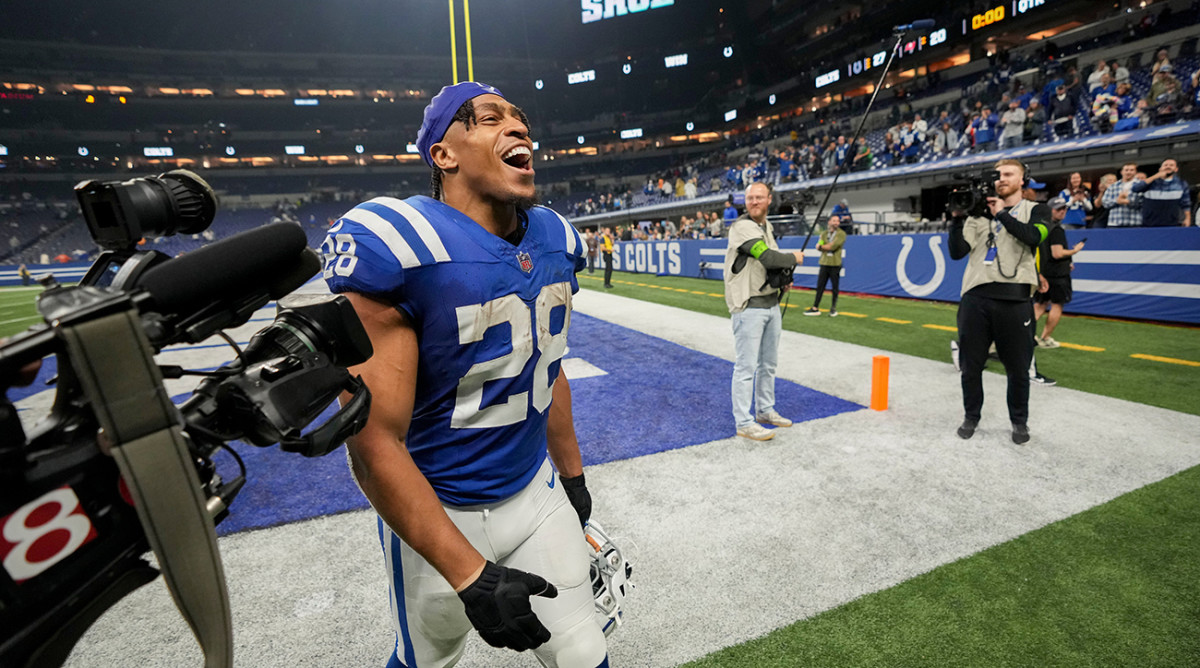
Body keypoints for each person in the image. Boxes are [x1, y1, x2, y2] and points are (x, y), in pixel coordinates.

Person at [321, 81, 608, 668]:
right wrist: (469, 574)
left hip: (533, 490)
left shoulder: (555, 238)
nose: (518, 128)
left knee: (583, 649)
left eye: (521, 120)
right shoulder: (403, 242)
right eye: (488, 119)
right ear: (443, 155)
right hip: (438, 507)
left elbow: (546, 370)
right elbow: (373, 439)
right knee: (428, 660)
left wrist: (573, 479)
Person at [948, 159, 1050, 445]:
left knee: (1018, 368)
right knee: (971, 366)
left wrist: (1002, 214)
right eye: (998, 175)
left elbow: (1033, 236)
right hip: (976, 297)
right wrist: (956, 218)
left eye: (1009, 174)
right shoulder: (977, 216)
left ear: (1023, 179)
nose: (1002, 179)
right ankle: (971, 416)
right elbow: (957, 252)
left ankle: (1019, 421)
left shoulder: (1037, 210)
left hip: (1016, 300)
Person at [723, 182, 803, 442]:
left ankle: (765, 410)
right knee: (746, 367)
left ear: (769, 200)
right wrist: (793, 259)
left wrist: (783, 277)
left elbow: (769, 266)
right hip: (749, 307)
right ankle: (744, 422)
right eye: (750, 198)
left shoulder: (765, 227)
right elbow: (767, 257)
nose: (754, 201)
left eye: (759, 197)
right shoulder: (741, 227)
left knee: (768, 364)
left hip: (770, 304)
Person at [1035, 197, 1086, 348]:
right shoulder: (1056, 229)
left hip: (1043, 273)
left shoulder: (1041, 226)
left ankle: (1025, 335)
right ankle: (1045, 338)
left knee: (1039, 305)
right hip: (1057, 275)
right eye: (1058, 209)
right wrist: (1074, 251)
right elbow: (1057, 253)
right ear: (1050, 210)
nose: (1062, 212)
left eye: (1064, 209)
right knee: (1057, 305)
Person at [803, 215, 845, 317]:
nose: (836, 223)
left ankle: (833, 308)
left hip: (835, 264)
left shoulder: (841, 234)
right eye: (834, 221)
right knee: (820, 286)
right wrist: (821, 246)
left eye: (838, 221)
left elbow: (832, 246)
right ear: (829, 222)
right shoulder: (824, 234)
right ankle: (815, 307)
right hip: (824, 263)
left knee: (835, 287)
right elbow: (818, 245)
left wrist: (822, 247)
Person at [1131, 158, 1193, 227]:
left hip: (1172, 223)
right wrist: (1155, 176)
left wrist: (1187, 218)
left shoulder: (1181, 184)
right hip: (1149, 223)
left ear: (1176, 169)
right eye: (1165, 165)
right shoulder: (1151, 182)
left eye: (1171, 165)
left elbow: (1186, 204)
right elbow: (1135, 188)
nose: (1168, 166)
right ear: (1160, 169)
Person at [1101, 162, 1144, 227]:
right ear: (1121, 172)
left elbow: (1143, 203)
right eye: (1126, 170)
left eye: (1131, 170)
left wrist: (1129, 202)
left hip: (1134, 223)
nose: (1128, 172)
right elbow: (1105, 203)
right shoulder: (1113, 186)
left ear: (1135, 172)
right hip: (1115, 223)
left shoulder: (1141, 185)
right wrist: (1117, 201)